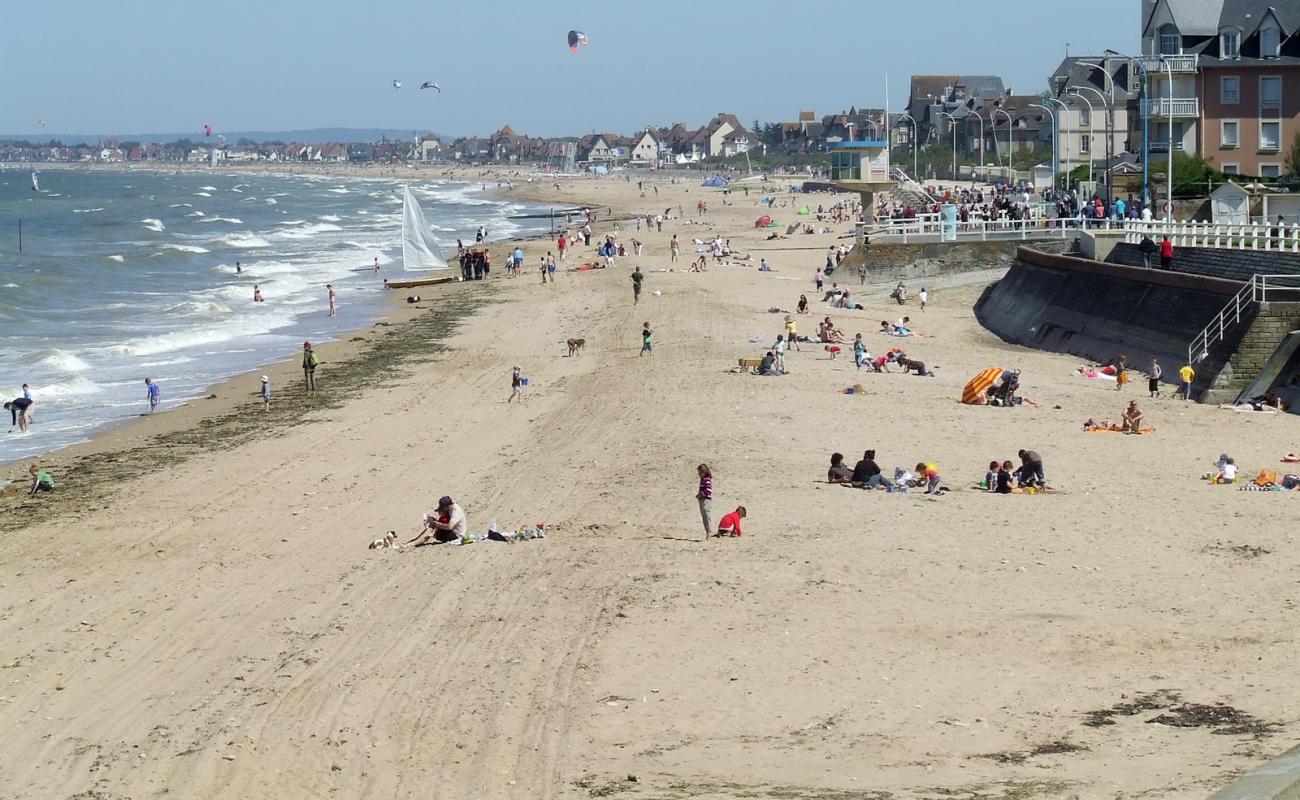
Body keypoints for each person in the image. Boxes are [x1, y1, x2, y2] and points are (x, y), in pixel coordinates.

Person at [696, 464, 713, 536]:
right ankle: (707, 532)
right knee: (704, 516)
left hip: (706, 500)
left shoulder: (707, 480)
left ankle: (708, 533)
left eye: (700, 473)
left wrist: (701, 494)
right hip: (702, 500)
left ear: (705, 472)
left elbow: (708, 491)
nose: (699, 475)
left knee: (706, 515)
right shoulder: (703, 479)